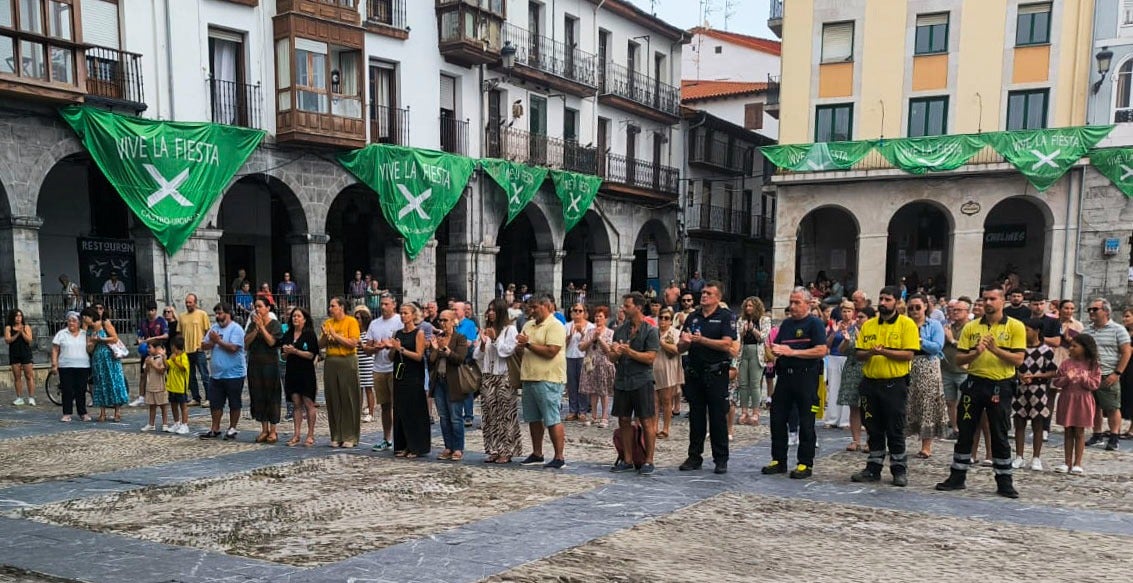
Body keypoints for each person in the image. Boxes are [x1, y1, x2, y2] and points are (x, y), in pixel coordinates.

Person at [935, 286, 1025, 498]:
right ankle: (957, 476)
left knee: (999, 433)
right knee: (965, 431)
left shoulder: (1015, 327)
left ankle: (1004, 481)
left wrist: (995, 350)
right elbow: (959, 359)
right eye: (985, 299)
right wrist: (976, 353)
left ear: (1002, 301)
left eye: (992, 299)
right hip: (974, 383)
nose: (988, 303)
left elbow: (1019, 360)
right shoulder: (972, 327)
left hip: (1000, 385)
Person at [850, 287, 920, 487]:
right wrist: (871, 352)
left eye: (887, 299)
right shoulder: (869, 325)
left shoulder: (907, 325)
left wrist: (885, 352)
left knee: (895, 428)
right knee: (873, 427)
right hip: (870, 384)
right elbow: (859, 354)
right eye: (881, 298)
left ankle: (899, 469)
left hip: (894, 384)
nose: (882, 302)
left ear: (897, 302)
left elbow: (908, 354)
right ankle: (873, 468)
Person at [761, 287, 828, 479]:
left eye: (797, 302)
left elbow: (821, 350)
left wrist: (793, 352)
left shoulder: (814, 324)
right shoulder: (787, 324)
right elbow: (780, 348)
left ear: (808, 304)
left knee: (807, 421)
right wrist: (773, 350)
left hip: (806, 376)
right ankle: (778, 459)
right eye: (791, 302)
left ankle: (805, 463)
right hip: (785, 377)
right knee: (777, 418)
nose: (792, 306)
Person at [678, 281, 737, 475]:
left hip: (716, 372)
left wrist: (702, 340)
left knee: (717, 417)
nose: (704, 296)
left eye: (709, 293)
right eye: (702, 292)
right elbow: (680, 347)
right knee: (696, 416)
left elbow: (727, 344)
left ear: (718, 298)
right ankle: (694, 456)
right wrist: (685, 343)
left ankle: (721, 459)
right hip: (695, 373)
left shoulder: (725, 317)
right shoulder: (693, 317)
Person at [609, 292, 661, 475]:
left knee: (646, 419)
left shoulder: (651, 330)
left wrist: (629, 352)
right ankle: (628, 459)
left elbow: (650, 358)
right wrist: (614, 351)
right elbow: (612, 357)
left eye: (627, 305)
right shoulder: (620, 330)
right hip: (623, 379)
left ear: (638, 307)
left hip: (642, 380)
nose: (623, 308)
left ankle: (649, 460)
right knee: (623, 419)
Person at [516, 294, 569, 469]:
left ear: (546, 306)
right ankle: (537, 453)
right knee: (533, 418)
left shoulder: (555, 326)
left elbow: (551, 351)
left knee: (551, 417)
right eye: (529, 307)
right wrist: (520, 347)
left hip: (549, 377)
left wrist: (528, 344)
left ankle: (559, 456)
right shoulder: (528, 325)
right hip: (530, 376)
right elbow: (523, 348)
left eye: (535, 307)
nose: (531, 311)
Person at [1081, 298, 1131, 452]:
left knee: (1112, 407)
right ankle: (1097, 434)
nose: (1091, 312)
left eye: (1095, 309)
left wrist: (1117, 373)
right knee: (1094, 406)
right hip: (1090, 374)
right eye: (1089, 310)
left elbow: (1126, 352)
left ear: (1106, 311)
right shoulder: (1087, 330)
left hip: (1108, 373)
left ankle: (1114, 437)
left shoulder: (1118, 330)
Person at [475, 299, 521, 464]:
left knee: (505, 414)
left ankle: (507, 450)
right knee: (489, 414)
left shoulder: (510, 330)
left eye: (494, 310)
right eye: (489, 310)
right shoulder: (487, 330)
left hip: (504, 375)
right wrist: (482, 343)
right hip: (488, 375)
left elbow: (507, 351)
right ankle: (493, 449)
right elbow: (477, 356)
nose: (490, 313)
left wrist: (494, 340)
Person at [904, 294, 947, 458]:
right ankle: (899, 440)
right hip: (907, 364)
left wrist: (919, 340)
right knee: (905, 403)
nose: (914, 311)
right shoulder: (905, 324)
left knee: (927, 404)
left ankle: (926, 445)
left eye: (917, 307)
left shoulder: (934, 325)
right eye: (911, 308)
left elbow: (937, 347)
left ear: (925, 307)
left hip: (927, 365)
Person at [1011, 318, 1057, 471]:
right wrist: (1020, 376)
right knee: (1019, 422)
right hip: (1021, 389)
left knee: (1038, 423)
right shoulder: (1019, 349)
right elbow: (1012, 367)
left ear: (1037, 331)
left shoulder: (1046, 351)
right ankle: (1019, 456)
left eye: (1027, 330)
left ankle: (1036, 457)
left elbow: (1052, 371)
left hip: (1038, 389)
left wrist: (1036, 375)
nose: (1025, 333)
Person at [1053, 335, 1102, 474]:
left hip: (1083, 400)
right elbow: (1056, 382)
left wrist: (1085, 379)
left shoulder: (1093, 365)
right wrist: (1066, 379)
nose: (1071, 348)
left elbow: (1095, 384)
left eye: (1075, 346)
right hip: (1067, 399)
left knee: (1079, 432)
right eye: (1071, 345)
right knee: (1068, 431)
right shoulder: (1066, 363)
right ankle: (1066, 462)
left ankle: (1077, 463)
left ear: (1085, 348)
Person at [199, 303, 246, 441]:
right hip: (216, 374)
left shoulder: (236, 329)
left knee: (234, 402)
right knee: (215, 403)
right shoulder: (214, 328)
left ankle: (232, 428)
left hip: (234, 374)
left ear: (228, 313)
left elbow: (233, 348)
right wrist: (213, 343)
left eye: (220, 313)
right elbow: (203, 345)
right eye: (217, 314)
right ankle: (215, 428)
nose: (218, 317)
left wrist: (218, 341)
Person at [320, 297, 361, 448]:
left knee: (348, 397)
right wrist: (325, 335)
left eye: (333, 306)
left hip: (347, 361)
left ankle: (350, 435)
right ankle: (336, 434)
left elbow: (352, 343)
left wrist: (336, 335)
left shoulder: (351, 321)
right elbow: (320, 344)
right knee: (333, 398)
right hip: (331, 361)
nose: (330, 309)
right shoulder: (328, 323)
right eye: (330, 306)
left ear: (341, 307)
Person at [429, 309, 470, 461]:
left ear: (453, 322)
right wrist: (434, 349)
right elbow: (432, 360)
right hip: (439, 381)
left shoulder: (460, 338)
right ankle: (448, 446)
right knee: (443, 416)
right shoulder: (438, 338)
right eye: (440, 320)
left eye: (445, 320)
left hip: (454, 381)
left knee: (455, 417)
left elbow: (460, 358)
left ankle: (458, 448)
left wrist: (446, 351)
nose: (442, 323)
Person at [391, 302, 430, 458]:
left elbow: (419, 356)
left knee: (413, 410)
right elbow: (390, 357)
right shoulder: (397, 333)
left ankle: (416, 446)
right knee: (401, 410)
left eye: (406, 313)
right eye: (401, 312)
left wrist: (401, 349)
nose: (402, 315)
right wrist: (392, 348)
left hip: (413, 376)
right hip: (399, 375)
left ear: (413, 315)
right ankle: (403, 444)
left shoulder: (418, 333)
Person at [364, 293, 400, 451]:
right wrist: (375, 348)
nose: (383, 307)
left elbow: (402, 343)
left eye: (386, 304)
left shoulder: (399, 321)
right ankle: (387, 438)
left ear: (394, 305)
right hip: (378, 368)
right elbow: (367, 349)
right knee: (385, 406)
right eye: (382, 304)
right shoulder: (374, 323)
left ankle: (400, 438)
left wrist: (391, 345)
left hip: (394, 368)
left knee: (397, 405)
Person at [244, 298, 283, 444]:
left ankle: (273, 430)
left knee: (271, 396)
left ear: (268, 308)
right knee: (258, 396)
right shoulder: (252, 325)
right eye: (255, 307)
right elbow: (246, 343)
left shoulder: (274, 324)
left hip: (270, 366)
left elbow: (272, 341)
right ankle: (264, 429)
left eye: (260, 306)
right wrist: (256, 329)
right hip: (255, 365)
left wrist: (263, 328)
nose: (257, 309)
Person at [838, 306, 875, 451]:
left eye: (861, 317)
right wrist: (846, 340)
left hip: (868, 369)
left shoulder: (873, 332)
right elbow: (841, 350)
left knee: (869, 407)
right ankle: (856, 440)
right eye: (858, 317)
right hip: (852, 370)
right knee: (854, 406)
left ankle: (871, 440)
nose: (858, 319)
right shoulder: (852, 330)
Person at [281, 307, 318, 447]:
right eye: (293, 316)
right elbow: (283, 354)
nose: (295, 318)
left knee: (308, 402)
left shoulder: (309, 334)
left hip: (306, 372)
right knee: (296, 403)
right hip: (292, 371)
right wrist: (286, 352)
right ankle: (296, 434)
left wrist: (295, 351)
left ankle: (310, 434)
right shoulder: (288, 333)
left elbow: (311, 354)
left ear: (304, 319)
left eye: (298, 316)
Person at [579, 306, 615, 428]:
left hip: (603, 363)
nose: (598, 319)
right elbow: (581, 347)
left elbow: (608, 349)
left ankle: (604, 417)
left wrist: (599, 338)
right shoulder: (589, 331)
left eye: (601, 316)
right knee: (592, 391)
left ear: (605, 318)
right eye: (596, 316)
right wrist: (592, 339)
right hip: (591, 363)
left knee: (603, 391)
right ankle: (594, 416)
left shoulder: (610, 332)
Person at [942, 298, 972, 440]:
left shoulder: (971, 328)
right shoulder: (949, 327)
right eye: (953, 310)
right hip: (947, 368)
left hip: (963, 371)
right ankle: (955, 428)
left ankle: (965, 428)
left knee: (963, 401)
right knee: (950, 401)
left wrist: (952, 340)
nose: (955, 313)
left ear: (967, 312)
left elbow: (970, 347)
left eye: (958, 310)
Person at [51, 311, 90, 422]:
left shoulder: (85, 333)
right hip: (66, 366)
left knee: (81, 390)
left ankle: (82, 412)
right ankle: (67, 413)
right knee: (67, 390)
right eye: (69, 320)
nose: (71, 323)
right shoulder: (62, 334)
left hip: (83, 366)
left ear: (79, 323)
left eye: (74, 321)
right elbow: (55, 349)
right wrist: (54, 364)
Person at [737, 297, 769, 427]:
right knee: (743, 384)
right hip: (743, 351)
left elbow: (763, 337)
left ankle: (755, 412)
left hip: (757, 351)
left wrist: (753, 330)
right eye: (747, 306)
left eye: (751, 306)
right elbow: (738, 337)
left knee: (755, 383)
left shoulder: (764, 320)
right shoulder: (741, 320)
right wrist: (743, 331)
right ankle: (744, 411)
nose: (748, 308)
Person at [822, 301, 855, 429]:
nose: (846, 314)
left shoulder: (856, 326)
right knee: (834, 388)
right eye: (844, 311)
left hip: (849, 358)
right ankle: (832, 418)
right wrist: (834, 333)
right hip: (834, 357)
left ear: (853, 312)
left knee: (846, 389)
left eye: (849, 311)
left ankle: (846, 420)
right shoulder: (836, 325)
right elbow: (828, 344)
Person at [653, 307, 684, 439]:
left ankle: (665, 428)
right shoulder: (653, 332)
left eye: (666, 318)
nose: (663, 321)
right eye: (661, 318)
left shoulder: (675, 333)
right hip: (654, 367)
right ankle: (654, 427)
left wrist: (662, 343)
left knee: (666, 400)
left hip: (668, 367)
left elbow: (676, 349)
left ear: (671, 321)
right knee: (653, 401)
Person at [564, 303, 594, 422]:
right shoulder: (567, 326)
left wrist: (582, 333)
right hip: (570, 356)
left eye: (580, 311)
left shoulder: (590, 326)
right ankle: (573, 410)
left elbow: (591, 344)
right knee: (572, 385)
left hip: (585, 357)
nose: (577, 313)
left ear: (584, 313)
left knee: (583, 384)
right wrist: (570, 336)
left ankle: (583, 410)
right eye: (575, 310)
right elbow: (563, 344)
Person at [180, 294, 211, 407]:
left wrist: (204, 344)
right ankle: (196, 397)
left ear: (195, 303)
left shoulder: (202, 314)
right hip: (186, 350)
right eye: (187, 302)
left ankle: (209, 397)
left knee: (204, 375)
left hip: (199, 349)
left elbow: (208, 331)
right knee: (190, 376)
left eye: (190, 302)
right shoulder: (182, 316)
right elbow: (180, 333)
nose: (188, 304)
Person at [453, 301, 480, 427]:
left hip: (465, 360)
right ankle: (456, 414)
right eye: (452, 309)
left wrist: (458, 340)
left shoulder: (469, 324)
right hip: (452, 359)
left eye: (456, 310)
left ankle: (468, 415)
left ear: (463, 311)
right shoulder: (451, 323)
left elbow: (471, 342)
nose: (454, 312)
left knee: (466, 388)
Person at [5, 309, 35, 406]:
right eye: (17, 316)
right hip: (14, 354)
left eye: (20, 316)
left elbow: (29, 340)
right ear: (13, 317)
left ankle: (31, 397)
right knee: (17, 377)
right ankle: (19, 398)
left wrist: (22, 332)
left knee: (29, 376)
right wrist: (17, 333)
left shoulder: (26, 327)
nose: (19, 318)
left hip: (25, 353)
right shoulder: (9, 328)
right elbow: (8, 340)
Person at [353, 305, 375, 424]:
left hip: (367, 363)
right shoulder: (355, 333)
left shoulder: (368, 333)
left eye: (358, 318)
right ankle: (358, 410)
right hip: (358, 362)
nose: (356, 320)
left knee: (368, 388)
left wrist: (361, 344)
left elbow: (369, 348)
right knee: (358, 388)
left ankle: (371, 413)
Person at [141, 343, 170, 432]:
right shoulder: (148, 359)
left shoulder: (161, 359)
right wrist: (147, 364)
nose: (148, 350)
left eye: (150, 348)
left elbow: (162, 371)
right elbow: (145, 373)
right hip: (150, 386)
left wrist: (152, 363)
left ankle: (165, 424)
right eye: (148, 348)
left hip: (160, 386)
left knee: (163, 406)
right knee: (152, 406)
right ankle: (151, 424)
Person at [166, 336, 191, 435]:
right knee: (173, 405)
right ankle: (176, 423)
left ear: (174, 347)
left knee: (183, 406)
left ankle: (185, 425)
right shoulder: (172, 356)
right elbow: (167, 365)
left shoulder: (183, 356)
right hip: (172, 386)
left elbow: (183, 368)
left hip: (181, 386)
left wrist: (175, 361)